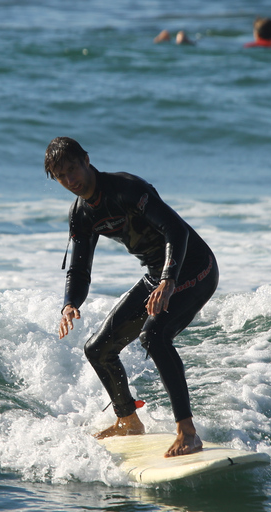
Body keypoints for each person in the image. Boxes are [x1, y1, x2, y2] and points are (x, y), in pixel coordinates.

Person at [45, 137, 219, 458]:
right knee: (98, 349)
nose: (71, 180)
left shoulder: (127, 189)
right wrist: (70, 303)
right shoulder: (81, 214)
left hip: (194, 266)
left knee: (154, 335)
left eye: (73, 169)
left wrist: (168, 279)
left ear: (86, 159)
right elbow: (79, 270)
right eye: (61, 176)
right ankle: (128, 420)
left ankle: (188, 432)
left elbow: (175, 230)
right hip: (157, 275)